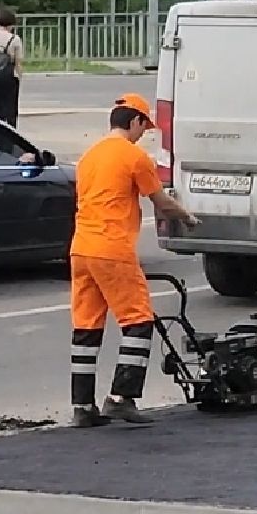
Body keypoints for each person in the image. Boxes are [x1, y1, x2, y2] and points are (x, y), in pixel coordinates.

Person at [68, 94, 200, 428]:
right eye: (145, 126)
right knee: (138, 322)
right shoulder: (134, 156)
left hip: (81, 249)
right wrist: (188, 218)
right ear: (135, 121)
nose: (145, 133)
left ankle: (83, 407)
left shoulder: (88, 157)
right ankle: (121, 398)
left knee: (86, 328)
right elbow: (161, 201)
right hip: (112, 249)